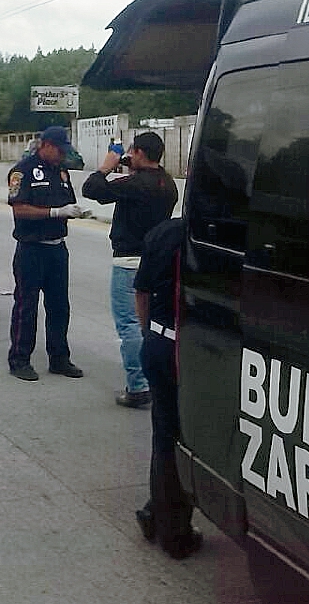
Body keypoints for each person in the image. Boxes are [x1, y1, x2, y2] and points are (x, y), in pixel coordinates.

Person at [82, 131, 177, 408]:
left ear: (139, 153)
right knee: (151, 323)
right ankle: (155, 378)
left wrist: (106, 166)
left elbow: (92, 189)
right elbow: (137, 179)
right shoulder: (167, 183)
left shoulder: (134, 184)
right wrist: (127, 164)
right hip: (157, 261)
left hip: (128, 261)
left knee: (129, 324)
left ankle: (137, 386)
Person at [132, 217, 202, 559]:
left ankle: (157, 513)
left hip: (159, 344)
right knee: (184, 438)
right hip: (189, 353)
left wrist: (150, 336)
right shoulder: (215, 235)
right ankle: (175, 533)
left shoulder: (161, 232)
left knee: (164, 436)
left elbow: (141, 291)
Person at [6, 125, 87, 381]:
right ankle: (19, 359)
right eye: (60, 150)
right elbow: (19, 209)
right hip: (31, 249)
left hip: (57, 249)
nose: (63, 155)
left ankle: (59, 358)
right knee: (26, 306)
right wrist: (54, 212)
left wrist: (73, 211)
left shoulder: (61, 172)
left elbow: (67, 203)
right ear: (47, 145)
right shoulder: (22, 171)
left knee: (59, 306)